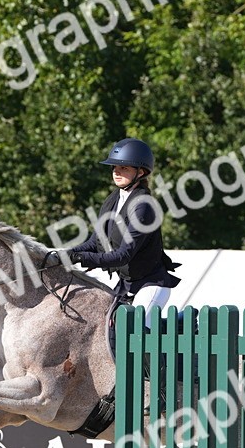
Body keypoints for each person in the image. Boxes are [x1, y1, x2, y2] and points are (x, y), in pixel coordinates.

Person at [68, 138, 181, 326]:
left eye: (124, 168)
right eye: (114, 168)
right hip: (125, 285)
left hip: (150, 285)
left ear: (141, 172)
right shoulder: (113, 200)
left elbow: (123, 255)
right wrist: (65, 255)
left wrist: (82, 258)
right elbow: (94, 243)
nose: (116, 172)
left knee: (137, 330)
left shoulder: (143, 206)